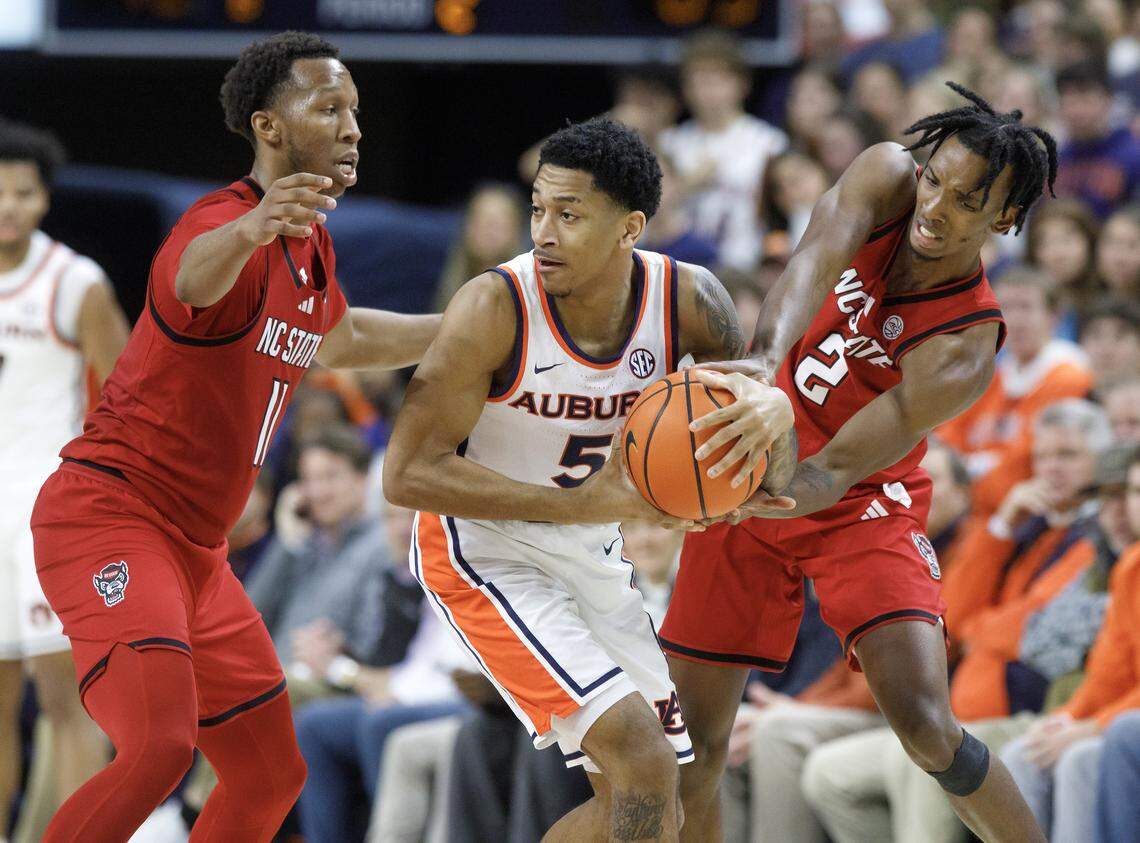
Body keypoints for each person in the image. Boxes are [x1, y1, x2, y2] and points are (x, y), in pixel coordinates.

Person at [29, 31, 441, 843]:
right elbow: (186, 277)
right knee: (159, 746)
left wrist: (474, 329)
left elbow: (343, 338)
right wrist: (252, 228)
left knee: (269, 773)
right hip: (108, 519)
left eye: (356, 109)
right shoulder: (222, 224)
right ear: (269, 126)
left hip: (197, 554)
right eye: (330, 108)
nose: (354, 126)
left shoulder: (310, 246)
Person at [662, 82, 1058, 843]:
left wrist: (758, 479)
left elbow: (832, 472)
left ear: (1004, 220)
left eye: (967, 201)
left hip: (857, 500)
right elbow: (808, 262)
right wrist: (765, 371)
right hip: (753, 440)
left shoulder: (965, 345)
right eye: (935, 179)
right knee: (694, 745)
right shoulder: (885, 178)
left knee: (925, 724)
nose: (935, 208)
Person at [382, 116, 795, 841]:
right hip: (481, 551)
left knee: (663, 795)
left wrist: (769, 412)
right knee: (642, 761)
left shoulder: (690, 301)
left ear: (630, 226)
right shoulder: (493, 305)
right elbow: (406, 474)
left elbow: (760, 458)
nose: (543, 231)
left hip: (591, 549)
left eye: (569, 215)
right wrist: (575, 503)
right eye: (539, 209)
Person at [0, 119, 129, 843]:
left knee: (67, 703)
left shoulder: (73, 282)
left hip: (48, 514)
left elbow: (130, 398)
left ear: (45, 200)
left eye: (22, 193)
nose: (8, 207)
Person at [1001, 444, 1140, 841]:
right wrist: (1072, 717)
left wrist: (1093, 727)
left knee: (1080, 758)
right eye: (1134, 492)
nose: (1134, 505)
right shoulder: (1131, 566)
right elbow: (1109, 672)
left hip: (1124, 725)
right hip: (1117, 716)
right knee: (1025, 753)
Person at [659, 29, 788, 270]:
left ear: (742, 83)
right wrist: (686, 185)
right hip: (681, 268)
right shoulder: (669, 143)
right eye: (697, 79)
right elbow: (650, 215)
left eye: (716, 78)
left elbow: (781, 217)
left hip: (746, 269)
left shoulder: (768, 142)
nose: (707, 89)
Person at [1053, 60, 1140, 219]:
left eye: (1084, 98)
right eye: (1067, 100)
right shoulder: (1055, 162)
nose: (1075, 110)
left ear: (1108, 100)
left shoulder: (1133, 156)